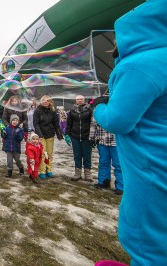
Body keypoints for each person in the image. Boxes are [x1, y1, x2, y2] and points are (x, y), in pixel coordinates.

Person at [93, 2, 167, 264]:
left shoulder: (138, 64)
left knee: (149, 235)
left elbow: (118, 120)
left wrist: (99, 107)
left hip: (153, 165)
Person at [89, 118, 123, 195]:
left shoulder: (116, 107)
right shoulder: (98, 109)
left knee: (118, 164)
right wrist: (91, 138)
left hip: (116, 142)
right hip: (102, 141)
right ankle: (103, 181)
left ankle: (121, 186)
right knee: (103, 162)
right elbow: (93, 125)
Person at [33, 95, 63, 179]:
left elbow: (56, 124)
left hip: (50, 134)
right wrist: (40, 135)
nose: (46, 102)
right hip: (41, 135)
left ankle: (49, 169)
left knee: (49, 153)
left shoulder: (52, 111)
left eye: (48, 101)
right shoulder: (37, 111)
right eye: (44, 100)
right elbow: (36, 124)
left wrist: (59, 134)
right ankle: (42, 170)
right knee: (42, 154)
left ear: (50, 102)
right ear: (41, 101)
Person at [66, 95, 94, 182]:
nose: (79, 101)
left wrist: (93, 136)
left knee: (87, 155)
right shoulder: (72, 110)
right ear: (75, 101)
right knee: (77, 155)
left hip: (87, 136)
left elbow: (93, 124)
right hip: (75, 136)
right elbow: (69, 123)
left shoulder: (90, 109)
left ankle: (87, 174)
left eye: (81, 99)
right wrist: (67, 134)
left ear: (84, 100)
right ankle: (77, 173)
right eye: (78, 99)